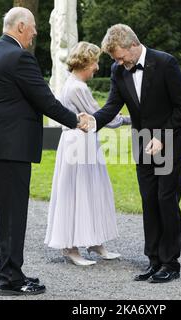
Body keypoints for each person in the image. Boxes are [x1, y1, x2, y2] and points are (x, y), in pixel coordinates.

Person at [0, 7, 93, 296]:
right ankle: (10, 280)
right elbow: (44, 99)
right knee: (13, 214)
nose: (36, 32)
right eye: (33, 28)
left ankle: (7, 272)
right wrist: (75, 120)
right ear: (19, 27)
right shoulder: (19, 57)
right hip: (10, 148)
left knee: (7, 214)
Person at [92, 24, 181, 283]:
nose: (118, 62)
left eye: (119, 56)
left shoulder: (165, 63)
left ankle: (170, 263)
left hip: (169, 142)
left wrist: (162, 138)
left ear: (133, 45)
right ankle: (153, 260)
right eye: (115, 59)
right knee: (149, 201)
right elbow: (112, 106)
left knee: (166, 200)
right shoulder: (119, 69)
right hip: (142, 143)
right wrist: (91, 122)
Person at [44, 42, 131, 265]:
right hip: (77, 144)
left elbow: (96, 116)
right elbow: (100, 117)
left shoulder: (73, 84)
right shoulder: (78, 88)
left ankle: (94, 241)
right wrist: (131, 119)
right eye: (95, 62)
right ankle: (70, 248)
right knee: (77, 193)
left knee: (90, 191)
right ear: (86, 62)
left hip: (82, 143)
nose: (97, 68)